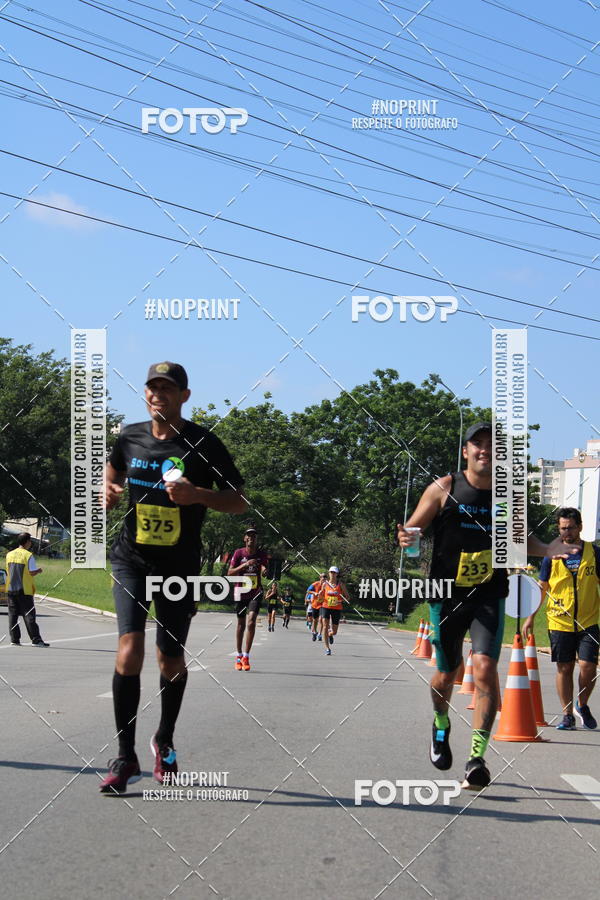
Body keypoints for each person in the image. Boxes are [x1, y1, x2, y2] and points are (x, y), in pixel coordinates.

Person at [397, 422, 577, 790]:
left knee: (484, 669)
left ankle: (476, 759)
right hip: (447, 595)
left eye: (492, 446)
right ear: (466, 451)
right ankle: (441, 725)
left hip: (488, 594)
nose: (485, 450)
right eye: (477, 444)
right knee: (446, 674)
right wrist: (406, 538)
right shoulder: (443, 488)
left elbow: (522, 540)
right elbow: (412, 531)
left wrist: (547, 549)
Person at [100, 361, 246, 794]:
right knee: (129, 649)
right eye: (153, 387)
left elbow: (238, 501)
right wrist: (108, 489)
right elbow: (112, 471)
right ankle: (125, 757)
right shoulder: (129, 436)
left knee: (170, 659)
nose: (158, 394)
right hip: (131, 559)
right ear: (145, 393)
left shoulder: (204, 443)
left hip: (178, 567)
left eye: (167, 388)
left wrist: (197, 494)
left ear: (184, 396)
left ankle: (164, 740)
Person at [523, 508, 600, 730]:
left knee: (588, 667)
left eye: (571, 528)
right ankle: (567, 714)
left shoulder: (594, 553)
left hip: (588, 621)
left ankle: (582, 705)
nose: (567, 532)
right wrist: (530, 617)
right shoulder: (551, 555)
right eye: (563, 528)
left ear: (580, 527)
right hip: (559, 621)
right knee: (564, 668)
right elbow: (542, 588)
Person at [228, 527, 269, 670]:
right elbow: (230, 572)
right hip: (240, 592)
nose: (251, 538)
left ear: (256, 540)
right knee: (241, 624)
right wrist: (245, 564)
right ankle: (238, 655)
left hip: (255, 592)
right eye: (249, 535)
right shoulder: (239, 553)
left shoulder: (261, 554)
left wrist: (264, 570)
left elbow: (264, 567)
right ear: (245, 538)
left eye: (254, 536)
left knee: (251, 622)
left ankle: (246, 656)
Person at [6, 532, 49, 647]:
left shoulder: (9, 554)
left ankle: (15, 639)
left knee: (13, 615)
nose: (30, 543)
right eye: (30, 541)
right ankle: (36, 640)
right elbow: (31, 572)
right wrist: (38, 570)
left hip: (11, 588)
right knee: (29, 615)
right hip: (24, 589)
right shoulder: (28, 555)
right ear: (27, 542)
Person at [317, 566, 349, 655]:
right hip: (326, 607)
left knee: (334, 632)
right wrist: (320, 595)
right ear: (329, 573)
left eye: (334, 572)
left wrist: (340, 601)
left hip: (337, 608)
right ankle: (327, 648)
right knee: (325, 626)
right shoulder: (325, 584)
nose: (332, 574)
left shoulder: (340, 584)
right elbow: (321, 598)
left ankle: (330, 634)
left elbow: (347, 597)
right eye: (331, 572)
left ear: (337, 574)